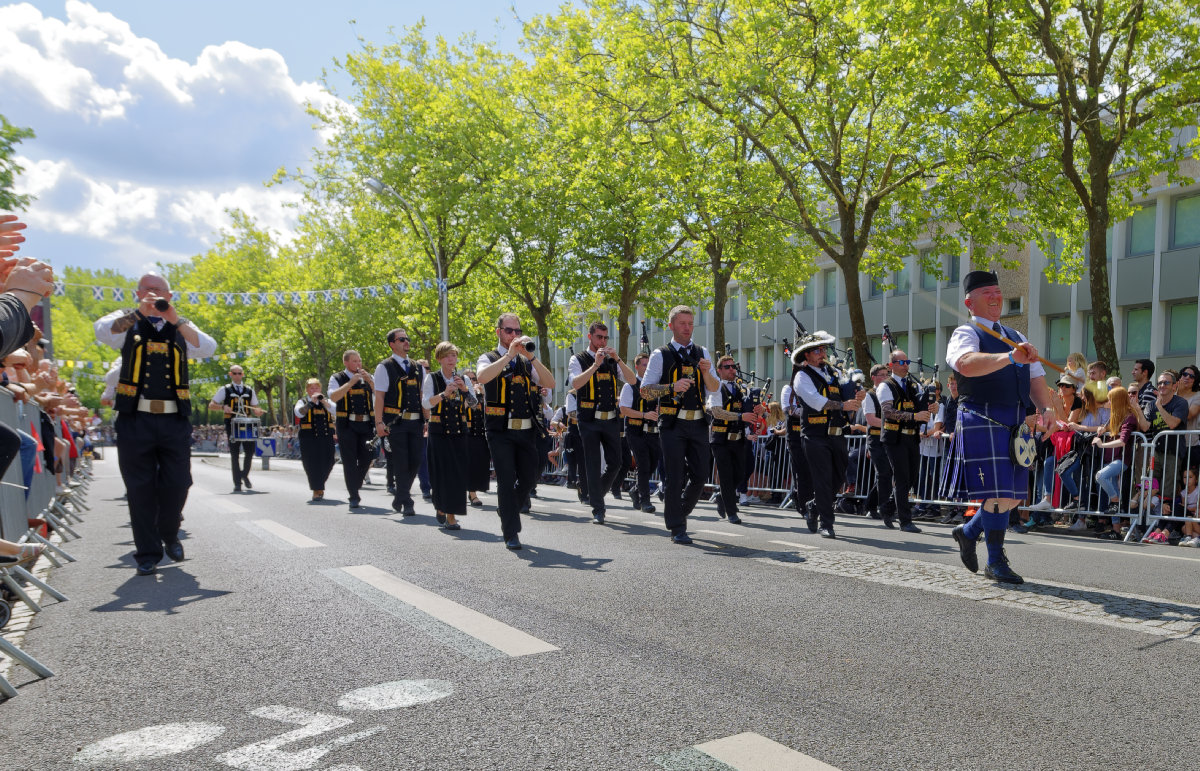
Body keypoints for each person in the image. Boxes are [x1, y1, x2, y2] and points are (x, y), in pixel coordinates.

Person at [94, 272, 217, 575]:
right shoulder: (127, 320)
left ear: (170, 295)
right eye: (148, 290)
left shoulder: (181, 324)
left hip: (174, 418)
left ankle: (169, 531)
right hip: (135, 419)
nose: (153, 295)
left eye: (159, 290)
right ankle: (147, 554)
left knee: (179, 482)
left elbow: (208, 347)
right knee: (140, 487)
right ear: (138, 293)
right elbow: (103, 331)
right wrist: (139, 313)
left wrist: (176, 319)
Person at [946, 270, 1052, 585]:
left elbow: (1036, 377)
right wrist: (1009, 357)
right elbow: (965, 364)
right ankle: (995, 561)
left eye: (997, 291)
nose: (995, 297)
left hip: (1015, 420)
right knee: (996, 494)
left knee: (1012, 496)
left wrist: (1047, 409)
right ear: (969, 302)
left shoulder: (1016, 336)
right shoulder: (965, 332)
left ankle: (968, 532)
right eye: (986, 293)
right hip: (982, 415)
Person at [639, 305, 719, 545]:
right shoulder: (660, 354)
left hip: (698, 422)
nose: (687, 328)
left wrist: (706, 373)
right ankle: (677, 527)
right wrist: (671, 387)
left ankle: (678, 511)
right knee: (674, 476)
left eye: (690, 323)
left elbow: (715, 388)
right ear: (671, 325)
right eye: (682, 323)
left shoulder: (702, 352)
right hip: (672, 424)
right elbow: (645, 391)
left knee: (701, 475)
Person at [476, 313, 555, 550]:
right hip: (500, 431)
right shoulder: (488, 357)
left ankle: (507, 509)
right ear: (498, 332)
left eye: (517, 331)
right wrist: (509, 355)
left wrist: (531, 357)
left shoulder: (526, 361)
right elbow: (482, 377)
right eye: (509, 331)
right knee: (506, 480)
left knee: (530, 477)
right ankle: (511, 532)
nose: (514, 335)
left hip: (527, 430)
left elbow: (550, 383)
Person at [791, 331, 864, 538]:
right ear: (806, 354)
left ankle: (814, 506)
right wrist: (842, 405)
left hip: (836, 433)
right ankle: (827, 523)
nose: (822, 354)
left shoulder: (834, 373)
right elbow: (815, 401)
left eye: (823, 349)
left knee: (839, 476)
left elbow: (846, 396)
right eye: (817, 350)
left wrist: (858, 395)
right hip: (814, 434)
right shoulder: (802, 376)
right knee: (822, 478)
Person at [569, 322, 636, 524]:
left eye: (606, 338)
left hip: (610, 419)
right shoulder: (578, 359)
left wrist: (618, 359)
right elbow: (576, 383)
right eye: (599, 337)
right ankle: (598, 509)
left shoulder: (612, 361)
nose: (603, 341)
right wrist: (595, 365)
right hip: (588, 420)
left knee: (616, 462)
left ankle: (594, 492)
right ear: (590, 337)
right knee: (593, 463)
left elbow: (632, 381)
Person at [422, 342, 477, 531]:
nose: (451, 359)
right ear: (439, 359)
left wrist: (465, 390)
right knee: (440, 473)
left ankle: (451, 515)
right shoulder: (432, 378)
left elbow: (474, 404)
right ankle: (441, 506)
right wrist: (444, 394)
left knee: (457, 474)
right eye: (447, 356)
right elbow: (426, 404)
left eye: (453, 355)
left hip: (459, 431)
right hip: (438, 432)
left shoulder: (463, 378)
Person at [373, 329, 426, 516]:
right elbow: (379, 396)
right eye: (401, 339)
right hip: (395, 422)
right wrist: (379, 422)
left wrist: (427, 419)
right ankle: (407, 501)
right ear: (392, 344)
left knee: (416, 460)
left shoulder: (418, 367)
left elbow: (422, 395)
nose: (406, 341)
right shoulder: (384, 367)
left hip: (416, 422)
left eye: (407, 338)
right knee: (401, 462)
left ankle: (399, 497)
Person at [876, 350, 929, 533]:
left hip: (911, 436)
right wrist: (914, 416)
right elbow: (888, 412)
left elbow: (918, 407)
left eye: (907, 361)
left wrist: (930, 408)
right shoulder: (885, 386)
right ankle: (905, 521)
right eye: (901, 362)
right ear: (891, 365)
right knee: (902, 477)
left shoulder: (912, 385)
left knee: (912, 476)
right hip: (894, 437)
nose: (906, 365)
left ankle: (887, 507)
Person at [707, 355, 764, 524]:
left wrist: (759, 411)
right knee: (726, 475)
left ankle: (722, 496)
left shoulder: (742, 389)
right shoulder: (715, 387)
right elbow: (717, 412)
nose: (732, 369)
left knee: (740, 474)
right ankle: (731, 512)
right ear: (719, 370)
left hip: (739, 439)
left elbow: (752, 411)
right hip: (720, 438)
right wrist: (740, 416)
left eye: (733, 366)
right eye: (727, 367)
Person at [1134, 369, 1189, 538]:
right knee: (1151, 486)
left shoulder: (1180, 403)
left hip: (1173, 451)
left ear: (1174, 386)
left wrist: (1159, 406)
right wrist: (1137, 409)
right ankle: (1146, 526)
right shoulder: (1151, 404)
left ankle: (1166, 529)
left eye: (1166, 382)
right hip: (1156, 452)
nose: (1162, 385)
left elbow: (1172, 424)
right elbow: (1145, 427)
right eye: (1159, 383)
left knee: (1168, 489)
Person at [328, 350, 376, 508]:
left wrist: (370, 382)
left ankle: (355, 484)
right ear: (346, 362)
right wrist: (350, 383)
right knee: (349, 460)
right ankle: (353, 496)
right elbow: (333, 397)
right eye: (354, 361)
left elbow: (380, 395)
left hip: (366, 423)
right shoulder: (337, 378)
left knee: (367, 457)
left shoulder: (368, 376)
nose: (358, 364)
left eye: (359, 361)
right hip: (347, 425)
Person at [208, 365, 265, 492]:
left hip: (247, 423)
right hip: (232, 423)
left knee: (250, 451)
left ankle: (244, 474)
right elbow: (211, 405)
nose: (237, 375)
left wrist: (258, 411)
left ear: (243, 374)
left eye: (239, 373)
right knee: (234, 454)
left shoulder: (249, 390)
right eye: (234, 373)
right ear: (230, 374)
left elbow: (256, 407)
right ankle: (237, 483)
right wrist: (223, 407)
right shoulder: (224, 389)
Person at [1091, 386, 1138, 538]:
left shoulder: (1129, 417)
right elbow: (1109, 429)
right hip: (1111, 459)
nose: (1108, 402)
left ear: (1117, 400)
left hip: (1121, 460)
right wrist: (1102, 429)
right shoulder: (1116, 416)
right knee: (1113, 491)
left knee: (1100, 476)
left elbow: (1123, 441)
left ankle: (1114, 500)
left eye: (1111, 399)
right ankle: (1116, 531)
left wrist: (1101, 444)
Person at [619, 353, 661, 514]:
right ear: (636, 366)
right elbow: (624, 409)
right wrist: (644, 415)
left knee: (653, 463)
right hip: (635, 431)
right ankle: (645, 501)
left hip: (653, 432)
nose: (647, 367)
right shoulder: (630, 386)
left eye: (649, 364)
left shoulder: (656, 386)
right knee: (643, 464)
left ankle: (635, 490)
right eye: (644, 364)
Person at [295, 378, 336, 501]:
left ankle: (319, 484)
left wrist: (323, 401)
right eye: (311, 388)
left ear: (320, 389)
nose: (314, 390)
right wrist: (311, 403)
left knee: (329, 461)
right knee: (311, 464)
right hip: (308, 438)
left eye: (316, 388)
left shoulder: (327, 401)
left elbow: (335, 410)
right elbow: (299, 413)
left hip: (326, 437)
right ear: (307, 390)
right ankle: (317, 489)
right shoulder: (302, 401)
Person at [463, 371, 489, 507]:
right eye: (469, 379)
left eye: (474, 379)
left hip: (480, 434)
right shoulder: (460, 393)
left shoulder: (481, 395)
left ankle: (472, 490)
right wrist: (469, 394)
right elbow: (461, 409)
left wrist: (484, 394)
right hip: (465, 434)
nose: (472, 381)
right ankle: (472, 494)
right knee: (468, 465)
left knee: (479, 465)